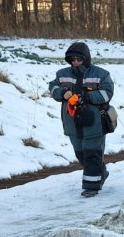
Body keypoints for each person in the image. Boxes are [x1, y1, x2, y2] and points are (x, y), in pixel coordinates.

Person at [49, 42, 114, 197]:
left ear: (86, 58)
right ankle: (101, 171)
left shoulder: (101, 74)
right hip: (72, 123)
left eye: (79, 59)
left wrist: (86, 96)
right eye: (73, 59)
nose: (76, 62)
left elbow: (107, 93)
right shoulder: (62, 74)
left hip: (95, 123)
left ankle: (91, 187)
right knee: (81, 154)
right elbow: (52, 87)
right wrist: (62, 92)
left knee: (92, 154)